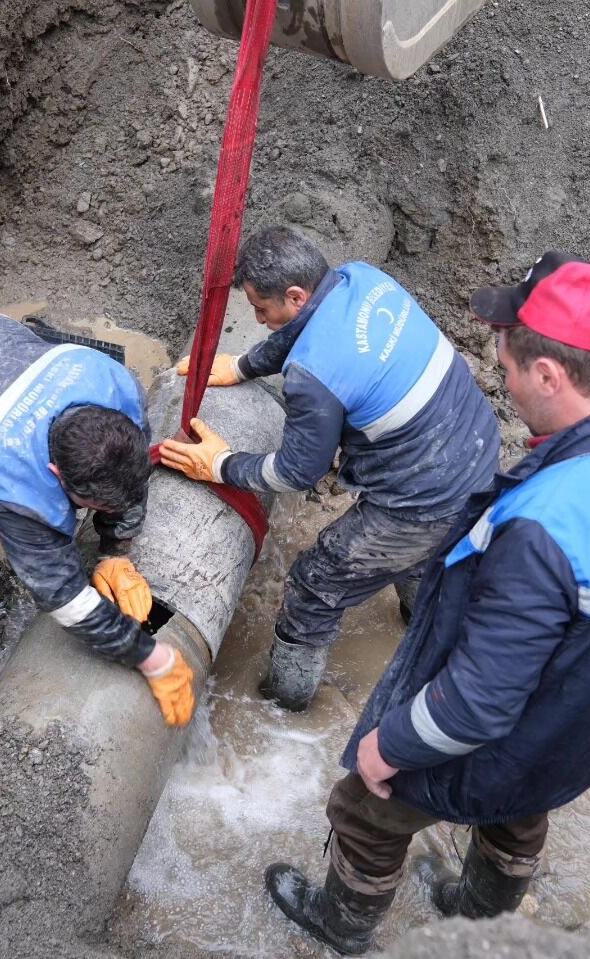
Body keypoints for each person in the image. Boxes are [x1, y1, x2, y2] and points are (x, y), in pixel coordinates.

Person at [262, 253, 590, 954]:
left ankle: (342, 927)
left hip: (505, 732)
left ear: (548, 375)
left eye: (507, 369)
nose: (503, 381)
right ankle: (481, 913)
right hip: (589, 721)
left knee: (364, 812)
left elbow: (477, 705)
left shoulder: (543, 524)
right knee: (520, 809)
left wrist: (385, 745)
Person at [159, 226, 500, 710]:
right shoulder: (361, 278)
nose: (257, 318)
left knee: (317, 581)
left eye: (261, 309)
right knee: (425, 552)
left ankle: (286, 705)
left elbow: (296, 473)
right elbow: (307, 328)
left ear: (295, 295)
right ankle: (426, 620)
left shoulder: (315, 378)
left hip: (425, 497)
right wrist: (246, 366)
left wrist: (218, 464)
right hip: (477, 454)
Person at [0, 310, 193, 726]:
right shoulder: (14, 480)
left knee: (116, 490)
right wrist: (149, 657)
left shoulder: (118, 390)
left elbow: (130, 480)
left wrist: (116, 550)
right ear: (56, 474)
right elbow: (61, 596)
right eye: (89, 505)